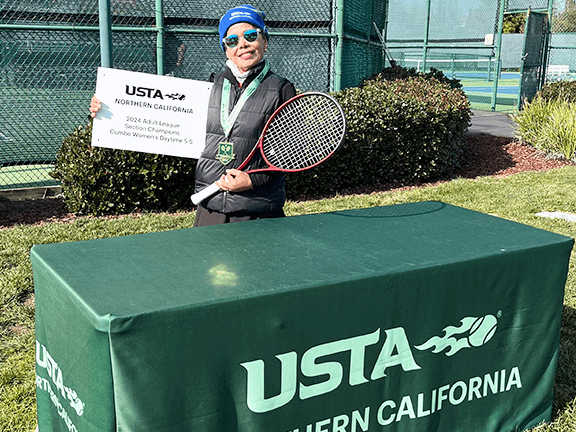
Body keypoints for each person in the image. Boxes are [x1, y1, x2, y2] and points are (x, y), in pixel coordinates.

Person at [90, 5, 296, 227]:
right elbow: (164, 119)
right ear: (225, 49)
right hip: (210, 207)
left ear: (264, 41)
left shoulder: (281, 89)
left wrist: (252, 180)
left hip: (258, 210)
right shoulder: (209, 86)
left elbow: (290, 152)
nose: (242, 44)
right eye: (232, 41)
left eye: (250, 36)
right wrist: (108, 111)